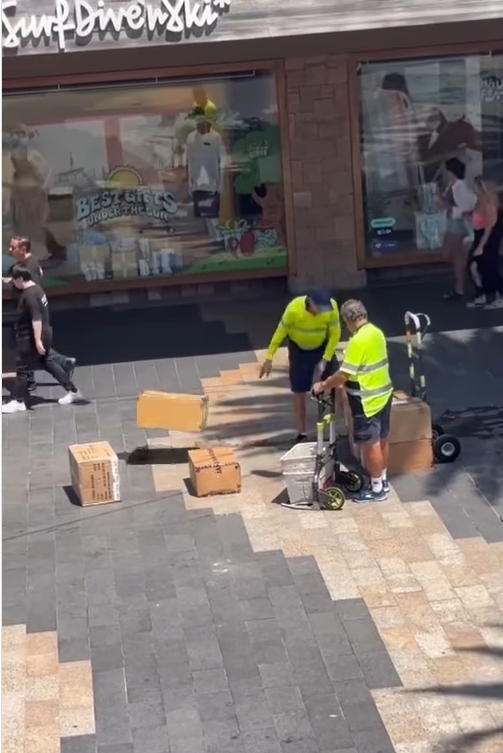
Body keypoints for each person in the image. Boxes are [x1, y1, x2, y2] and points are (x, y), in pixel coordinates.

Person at [313, 299, 393, 504]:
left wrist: (323, 385)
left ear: (348, 320)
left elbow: (344, 374)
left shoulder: (358, 341)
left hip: (366, 400)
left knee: (370, 444)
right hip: (383, 395)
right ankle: (382, 480)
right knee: (382, 439)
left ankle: (376, 489)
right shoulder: (377, 332)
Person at [260, 289, 341, 441]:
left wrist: (326, 358)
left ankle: (334, 428)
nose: (324, 312)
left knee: (337, 383)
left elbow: (335, 334)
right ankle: (301, 432)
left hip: (322, 347)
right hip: (299, 350)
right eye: (321, 308)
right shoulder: (294, 309)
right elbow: (280, 333)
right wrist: (269, 357)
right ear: (311, 303)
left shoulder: (332, 307)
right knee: (299, 391)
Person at [2, 264, 81, 414]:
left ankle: (18, 401)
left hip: (31, 337)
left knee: (22, 367)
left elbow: (36, 319)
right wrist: (8, 280)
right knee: (47, 363)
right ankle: (73, 390)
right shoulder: (37, 289)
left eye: (14, 280)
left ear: (20, 278)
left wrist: (37, 341)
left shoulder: (29, 295)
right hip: (46, 333)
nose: (14, 283)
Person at [2, 236, 76, 394]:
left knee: (25, 358)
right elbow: (22, 283)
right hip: (26, 320)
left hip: (29, 322)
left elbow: (32, 295)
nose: (10, 250)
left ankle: (22, 394)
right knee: (42, 357)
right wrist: (8, 281)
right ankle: (67, 377)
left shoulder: (31, 267)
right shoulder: (24, 266)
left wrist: (36, 337)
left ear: (23, 249)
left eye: (13, 247)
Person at [443, 158, 477, 301]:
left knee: (456, 257)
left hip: (458, 224)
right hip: (454, 223)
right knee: (453, 256)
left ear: (451, 172)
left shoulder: (460, 188)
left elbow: (468, 207)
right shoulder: (453, 186)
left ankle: (460, 288)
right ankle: (462, 286)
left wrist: (450, 208)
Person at [466, 178, 503, 310]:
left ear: (482, 188)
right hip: (478, 236)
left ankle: (500, 296)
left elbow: (488, 228)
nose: (473, 189)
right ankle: (481, 295)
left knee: (489, 269)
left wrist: (481, 246)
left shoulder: (489, 204)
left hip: (488, 239)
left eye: (476, 187)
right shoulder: (478, 202)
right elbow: (477, 220)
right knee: (473, 268)